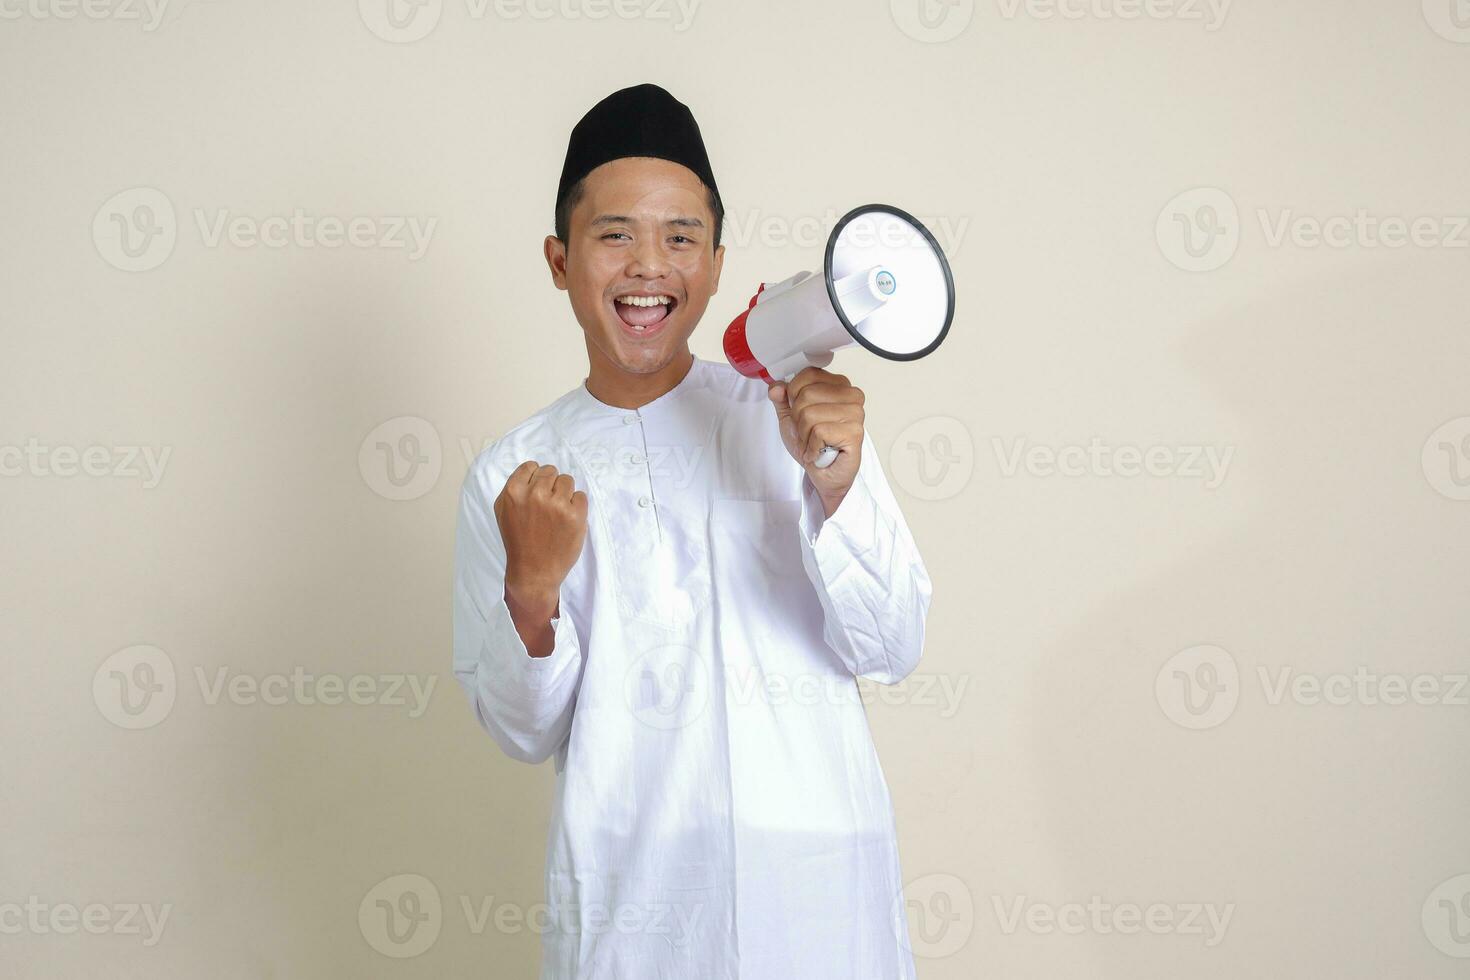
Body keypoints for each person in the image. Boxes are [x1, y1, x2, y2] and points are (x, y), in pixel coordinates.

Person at [451, 82, 933, 979]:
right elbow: (522, 732)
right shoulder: (513, 477)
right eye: (615, 235)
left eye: (680, 237)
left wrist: (838, 483)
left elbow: (893, 644)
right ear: (560, 261)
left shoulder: (793, 418)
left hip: (818, 905)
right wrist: (530, 593)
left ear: (716, 262)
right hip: (640, 919)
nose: (648, 267)